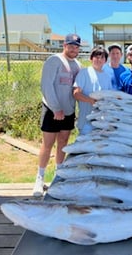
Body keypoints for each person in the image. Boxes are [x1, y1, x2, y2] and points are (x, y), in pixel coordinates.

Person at [33, 34, 82, 197]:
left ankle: (59, 176)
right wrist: (55, 108)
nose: (73, 49)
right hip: (52, 110)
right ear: (64, 45)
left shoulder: (78, 65)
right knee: (47, 144)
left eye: (76, 46)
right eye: (71, 45)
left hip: (68, 111)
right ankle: (39, 178)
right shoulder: (54, 60)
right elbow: (46, 86)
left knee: (63, 143)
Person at [73, 46, 112, 135]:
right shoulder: (84, 73)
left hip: (102, 122)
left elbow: (109, 97)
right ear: (91, 58)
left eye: (102, 57)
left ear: (105, 60)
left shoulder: (107, 77)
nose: (99, 60)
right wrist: (90, 101)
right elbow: (76, 94)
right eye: (96, 57)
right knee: (83, 147)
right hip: (86, 121)